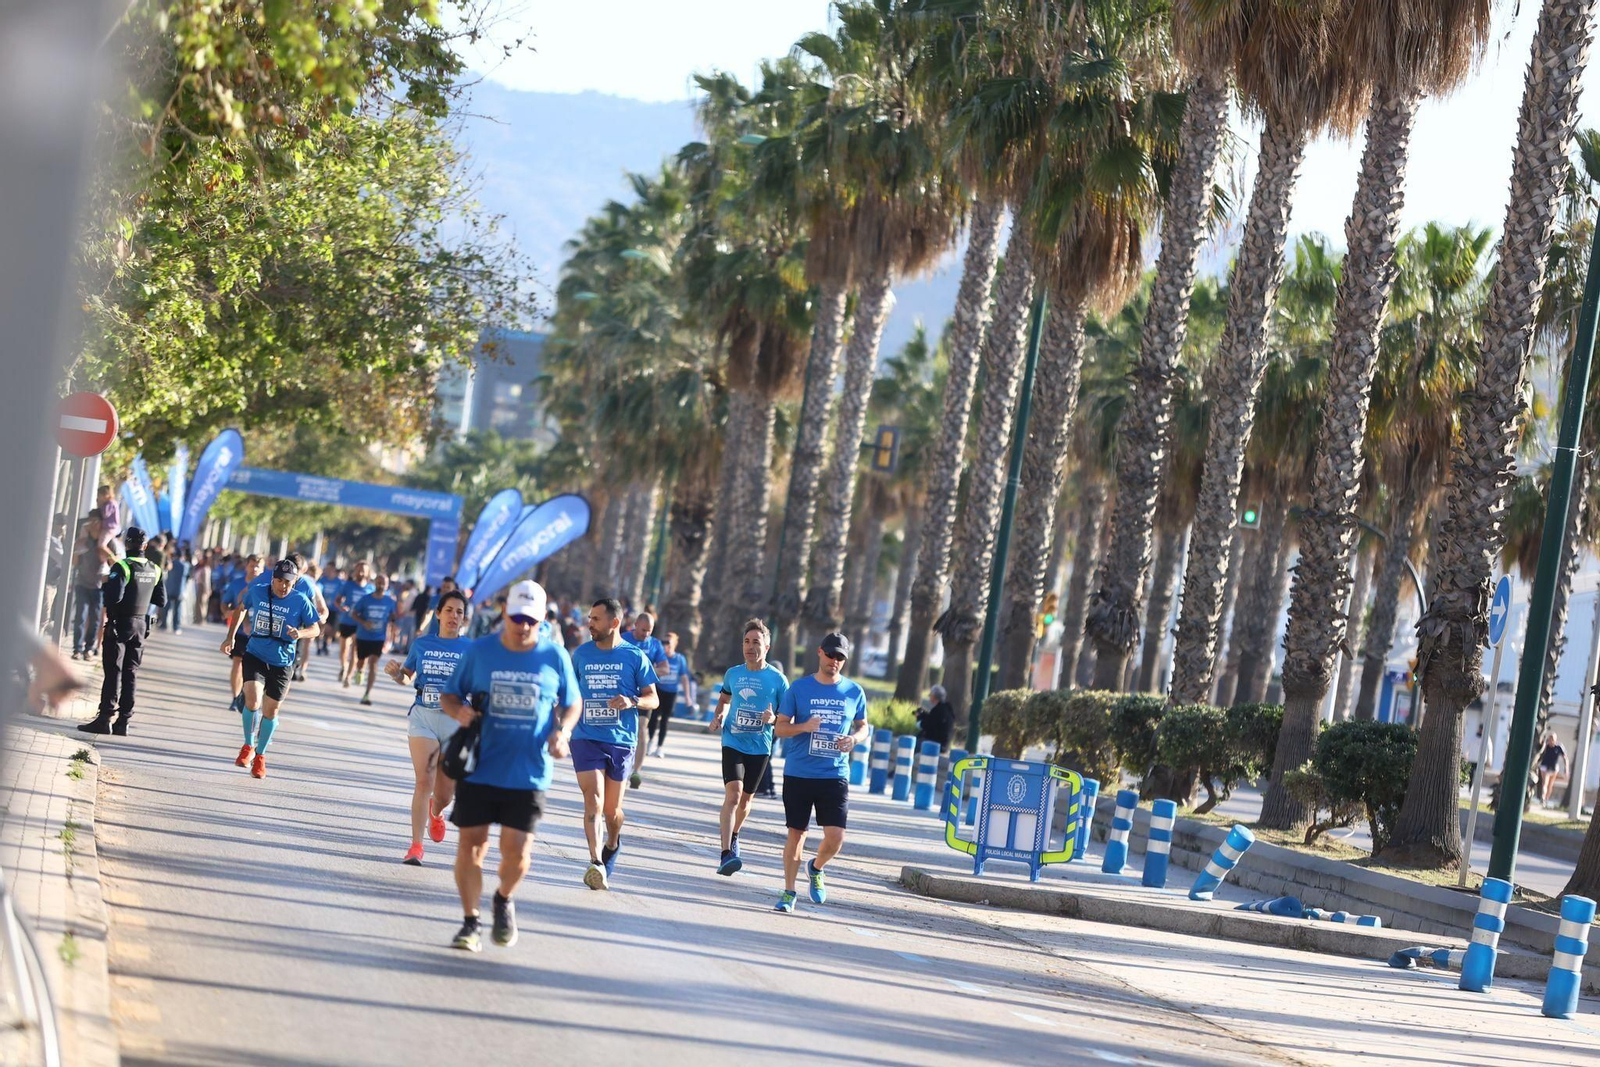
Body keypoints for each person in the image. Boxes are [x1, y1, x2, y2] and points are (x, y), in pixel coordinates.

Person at [440, 580, 580, 951]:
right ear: (505, 612)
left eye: (531, 620)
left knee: (517, 853)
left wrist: (563, 732)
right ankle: (470, 923)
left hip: (528, 770)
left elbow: (572, 702)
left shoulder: (554, 657)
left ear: (542, 619)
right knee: (472, 845)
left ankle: (503, 898)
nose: (523, 626)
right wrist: (460, 712)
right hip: (480, 764)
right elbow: (449, 695)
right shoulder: (480, 652)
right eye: (517, 617)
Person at [771, 633, 869, 914]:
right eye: (830, 655)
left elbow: (864, 726)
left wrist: (855, 739)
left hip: (834, 773)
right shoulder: (799, 689)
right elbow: (779, 728)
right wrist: (803, 727)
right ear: (819, 653)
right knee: (796, 834)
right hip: (800, 772)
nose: (834, 661)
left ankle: (816, 867)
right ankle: (789, 892)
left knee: (836, 837)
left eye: (840, 658)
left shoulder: (853, 691)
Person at [570, 597, 659, 890]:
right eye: (589, 617)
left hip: (620, 740)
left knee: (612, 812)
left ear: (615, 623)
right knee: (592, 800)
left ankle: (613, 841)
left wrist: (632, 700)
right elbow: (570, 695)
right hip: (586, 737)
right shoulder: (581, 655)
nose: (590, 623)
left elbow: (653, 698)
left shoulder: (634, 657)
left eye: (596, 619)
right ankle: (596, 862)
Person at [384, 589, 470, 866]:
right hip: (423, 717)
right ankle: (416, 846)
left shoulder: (471, 649)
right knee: (424, 780)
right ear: (438, 614)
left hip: (456, 723)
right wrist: (397, 673)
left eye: (459, 612)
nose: (454, 616)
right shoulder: (422, 644)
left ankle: (437, 810)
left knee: (446, 794)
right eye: (449, 610)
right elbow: (407, 678)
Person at [224, 559, 321, 779]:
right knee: (252, 702)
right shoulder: (258, 591)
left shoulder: (300, 600)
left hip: (282, 661)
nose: (283, 586)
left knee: (271, 712)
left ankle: (261, 755)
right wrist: (230, 637)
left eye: (288, 582)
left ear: (294, 581)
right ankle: (248, 746)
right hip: (256, 654)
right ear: (273, 579)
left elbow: (315, 628)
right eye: (279, 581)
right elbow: (241, 609)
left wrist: (300, 633)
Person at [709, 619, 787, 875]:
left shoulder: (777, 680)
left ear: (767, 645)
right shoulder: (733, 673)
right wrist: (718, 715)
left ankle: (734, 835)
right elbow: (724, 699)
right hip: (733, 741)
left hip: (760, 745)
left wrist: (773, 719)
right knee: (733, 794)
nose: (750, 647)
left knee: (745, 801)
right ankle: (725, 853)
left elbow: (787, 717)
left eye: (756, 642)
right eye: (746, 641)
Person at [78, 527, 166, 736]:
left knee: (113, 672)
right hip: (141, 625)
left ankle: (105, 718)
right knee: (130, 673)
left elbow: (113, 598)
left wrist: (106, 586)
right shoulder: (155, 569)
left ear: (127, 544)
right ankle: (123, 721)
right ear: (145, 546)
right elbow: (160, 600)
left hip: (120, 624)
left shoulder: (123, 566)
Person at [219, 555, 263, 716]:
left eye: (258, 566)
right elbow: (225, 603)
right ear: (247, 566)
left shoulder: (266, 586)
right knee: (238, 663)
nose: (255, 569)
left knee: (252, 669)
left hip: (258, 635)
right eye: (252, 566)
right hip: (239, 632)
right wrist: (226, 612)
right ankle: (235, 696)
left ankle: (248, 694)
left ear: (263, 569)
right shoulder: (237, 584)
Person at [350, 573, 400, 705]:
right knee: (361, 661)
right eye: (379, 582)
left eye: (384, 583)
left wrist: (393, 630)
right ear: (374, 583)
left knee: (373, 664)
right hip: (363, 636)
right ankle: (360, 670)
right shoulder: (365, 599)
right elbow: (354, 613)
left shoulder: (390, 601)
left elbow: (393, 617)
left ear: (387, 585)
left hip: (379, 637)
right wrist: (364, 622)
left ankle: (367, 694)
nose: (381, 585)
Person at [646, 632, 690, 758]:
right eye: (663, 642)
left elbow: (684, 677)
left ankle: (660, 747)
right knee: (653, 717)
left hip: (671, 693)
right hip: (659, 690)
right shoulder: (659, 657)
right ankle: (650, 742)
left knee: (665, 720)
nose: (665, 645)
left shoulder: (680, 659)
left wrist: (688, 697)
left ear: (674, 644)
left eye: (668, 642)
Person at [333, 560, 373, 686]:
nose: (361, 572)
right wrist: (341, 607)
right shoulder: (348, 585)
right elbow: (337, 601)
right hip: (346, 620)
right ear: (355, 571)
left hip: (360, 623)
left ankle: (348, 677)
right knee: (343, 649)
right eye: (359, 570)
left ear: (367, 573)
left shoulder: (370, 588)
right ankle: (343, 667)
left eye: (363, 570)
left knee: (355, 650)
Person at [160, 545, 192, 634]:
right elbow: (188, 577)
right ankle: (176, 627)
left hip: (169, 589)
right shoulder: (185, 565)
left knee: (166, 608)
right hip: (180, 591)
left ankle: (164, 624)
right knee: (177, 610)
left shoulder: (171, 563)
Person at [915, 685, 956, 753]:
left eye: (930, 695)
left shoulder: (938, 710)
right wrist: (925, 715)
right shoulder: (947, 709)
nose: (929, 697)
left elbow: (926, 726)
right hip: (945, 744)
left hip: (937, 743)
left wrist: (919, 718)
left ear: (934, 697)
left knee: (914, 743)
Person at [316, 561, 341, 655]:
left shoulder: (339, 582)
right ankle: (319, 645)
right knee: (321, 627)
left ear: (334, 570)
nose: (328, 571)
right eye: (327, 569)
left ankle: (326, 643)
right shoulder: (322, 580)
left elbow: (341, 595)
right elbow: (317, 589)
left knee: (331, 630)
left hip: (333, 609)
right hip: (322, 607)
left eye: (330, 569)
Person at [1537, 731, 1569, 806]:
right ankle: (1543, 797)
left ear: (1555, 740)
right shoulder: (1546, 746)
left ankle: (1546, 799)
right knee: (1545, 782)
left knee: (1550, 785)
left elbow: (1565, 758)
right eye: (1550, 739)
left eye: (1553, 739)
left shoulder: (1559, 747)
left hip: (1554, 768)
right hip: (1545, 767)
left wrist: (1566, 769)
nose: (1551, 741)